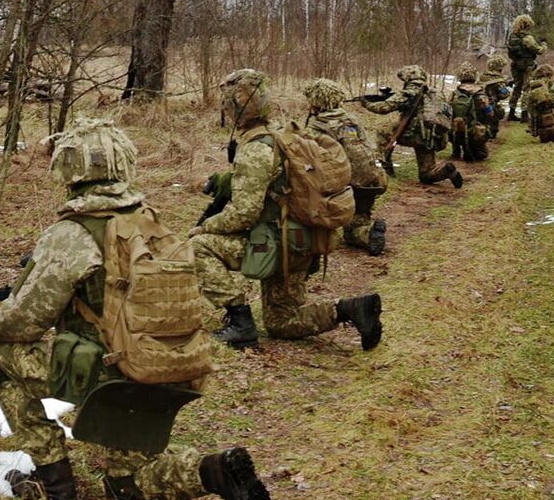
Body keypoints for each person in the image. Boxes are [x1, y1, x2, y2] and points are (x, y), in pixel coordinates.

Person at [0, 117, 271, 500]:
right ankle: (214, 472)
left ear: (68, 167)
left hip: (117, 373)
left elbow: (24, 323)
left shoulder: (72, 233)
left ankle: (54, 481)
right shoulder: (148, 219)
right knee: (127, 484)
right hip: (170, 367)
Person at [190, 69, 383, 349]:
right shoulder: (278, 135)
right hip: (300, 239)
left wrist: (204, 227)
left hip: (278, 245)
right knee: (282, 322)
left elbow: (244, 213)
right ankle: (351, 309)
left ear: (235, 108)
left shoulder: (255, 148)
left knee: (198, 247)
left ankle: (239, 321)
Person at [303, 77, 387, 255]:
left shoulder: (317, 127)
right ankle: (368, 233)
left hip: (346, 186)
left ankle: (322, 231)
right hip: (373, 179)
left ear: (315, 102)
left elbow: (313, 160)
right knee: (358, 220)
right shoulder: (352, 120)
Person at [362, 64, 463, 188]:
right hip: (430, 138)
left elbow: (384, 108)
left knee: (383, 132)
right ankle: (446, 170)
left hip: (414, 134)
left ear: (408, 78)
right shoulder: (433, 93)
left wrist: (366, 103)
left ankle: (386, 168)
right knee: (426, 175)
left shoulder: (409, 92)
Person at [503, 14, 546, 120]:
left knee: (517, 87)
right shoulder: (527, 38)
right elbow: (539, 51)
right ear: (527, 25)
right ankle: (524, 114)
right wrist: (544, 44)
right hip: (527, 66)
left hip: (515, 65)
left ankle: (511, 112)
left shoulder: (512, 37)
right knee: (527, 88)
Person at [448, 66, 495, 162]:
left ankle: (456, 150)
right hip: (475, 132)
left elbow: (448, 111)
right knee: (482, 155)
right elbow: (490, 114)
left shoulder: (455, 93)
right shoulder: (481, 94)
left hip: (456, 131)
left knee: (455, 124)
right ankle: (474, 148)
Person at [521, 63, 554, 144]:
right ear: (551, 75)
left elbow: (529, 109)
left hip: (540, 125)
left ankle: (545, 133)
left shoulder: (532, 89)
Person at [481, 54, 512, 134]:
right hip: (491, 105)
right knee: (499, 110)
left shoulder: (482, 76)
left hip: (479, 102)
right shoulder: (498, 79)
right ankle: (492, 130)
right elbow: (504, 94)